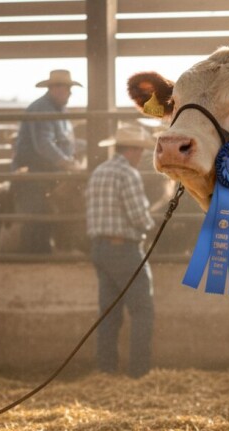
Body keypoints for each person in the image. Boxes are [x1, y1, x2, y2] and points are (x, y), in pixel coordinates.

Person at [85, 125, 157, 378]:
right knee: (142, 310)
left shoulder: (99, 172)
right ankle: (138, 372)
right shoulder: (128, 175)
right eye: (140, 150)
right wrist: (151, 224)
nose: (141, 156)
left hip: (100, 248)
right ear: (133, 150)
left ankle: (106, 369)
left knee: (109, 312)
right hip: (124, 249)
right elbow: (139, 217)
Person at [10, 69, 82, 253]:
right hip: (34, 173)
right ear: (55, 89)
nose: (69, 93)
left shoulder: (58, 110)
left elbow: (64, 142)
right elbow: (44, 144)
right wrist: (68, 164)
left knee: (49, 214)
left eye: (68, 89)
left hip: (48, 174)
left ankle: (46, 252)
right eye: (66, 89)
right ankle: (34, 256)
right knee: (37, 215)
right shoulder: (42, 109)